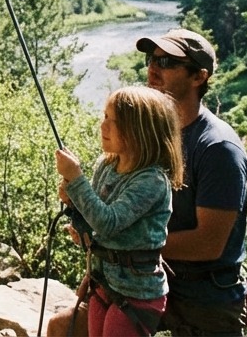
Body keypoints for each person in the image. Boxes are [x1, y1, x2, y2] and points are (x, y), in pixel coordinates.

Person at [141, 28, 247, 335]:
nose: (152, 68)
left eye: (166, 62)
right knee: (65, 326)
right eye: (152, 58)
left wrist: (128, 244)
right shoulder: (156, 134)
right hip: (152, 281)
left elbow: (208, 243)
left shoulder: (218, 148)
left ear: (198, 77)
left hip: (205, 298)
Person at [56, 86, 185, 336]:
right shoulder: (107, 165)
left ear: (138, 131)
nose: (103, 126)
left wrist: (76, 179)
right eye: (104, 116)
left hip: (137, 294)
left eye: (112, 121)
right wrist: (74, 203)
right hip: (103, 282)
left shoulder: (152, 181)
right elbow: (94, 215)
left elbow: (108, 222)